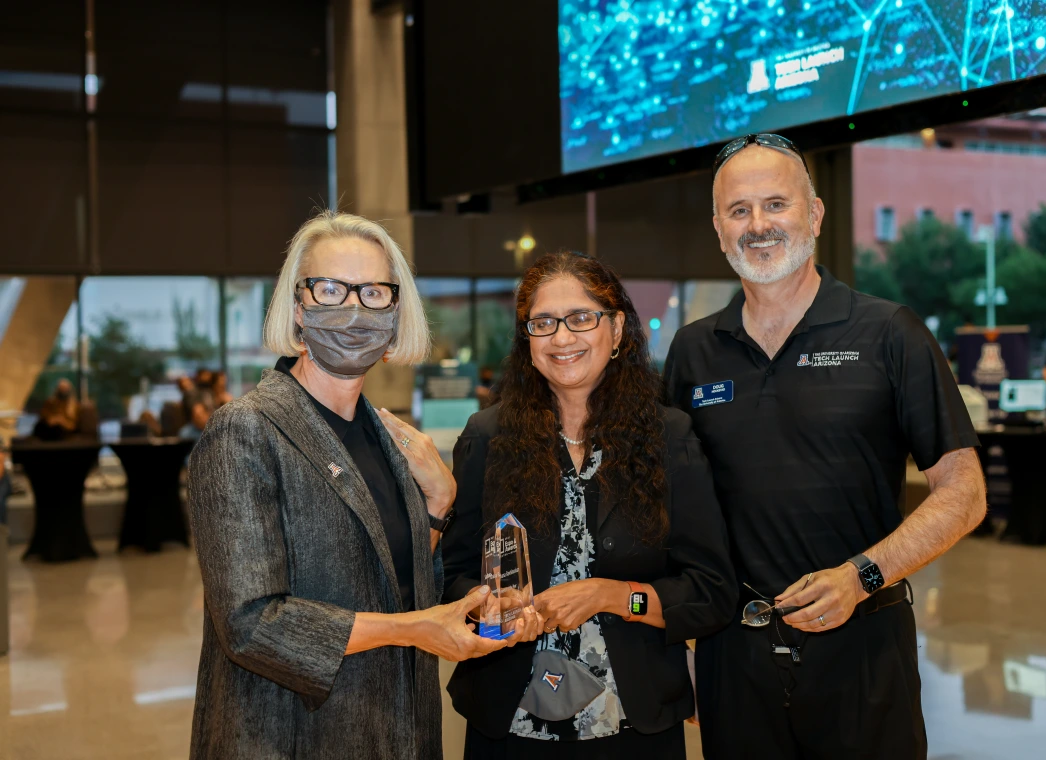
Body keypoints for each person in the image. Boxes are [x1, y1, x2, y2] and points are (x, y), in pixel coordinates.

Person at [663, 134, 987, 759]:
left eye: (776, 204)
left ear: (813, 214)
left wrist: (861, 577)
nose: (758, 225)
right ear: (718, 229)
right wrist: (683, 646)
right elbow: (673, 512)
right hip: (734, 654)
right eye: (739, 210)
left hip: (863, 645)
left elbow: (965, 492)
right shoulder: (693, 350)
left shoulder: (890, 333)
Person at [186, 210, 539, 760]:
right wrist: (417, 628)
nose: (353, 310)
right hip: (289, 734)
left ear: (396, 313)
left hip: (395, 726)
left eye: (374, 292)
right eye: (330, 289)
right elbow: (251, 625)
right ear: (298, 308)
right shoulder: (247, 430)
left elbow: (387, 581)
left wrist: (441, 512)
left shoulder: (390, 441)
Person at [443, 251, 736, 759]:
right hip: (508, 726)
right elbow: (452, 573)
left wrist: (614, 596)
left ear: (617, 329)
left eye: (581, 318)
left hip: (635, 728)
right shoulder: (487, 438)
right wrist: (488, 605)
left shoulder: (669, 438)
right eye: (543, 323)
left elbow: (710, 591)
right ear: (526, 338)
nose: (561, 338)